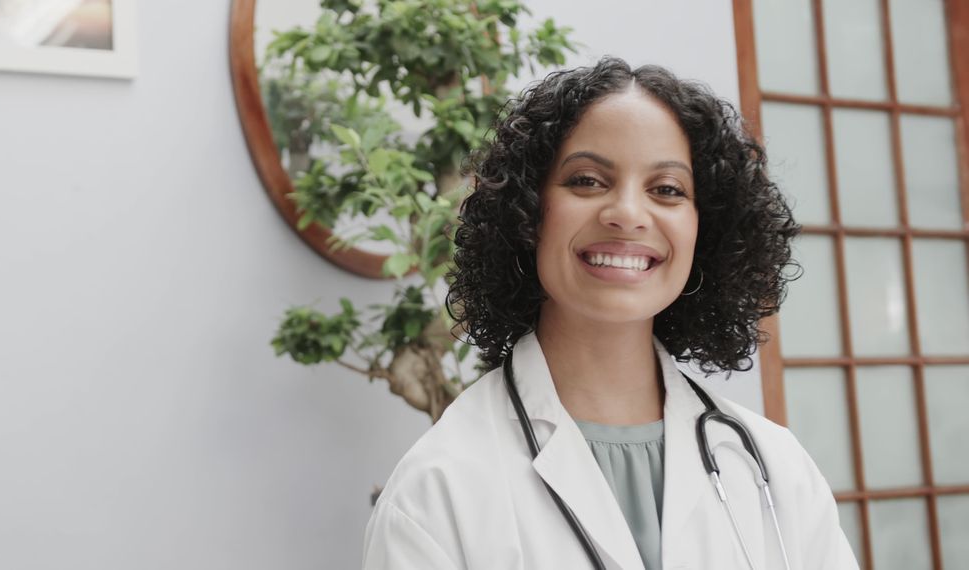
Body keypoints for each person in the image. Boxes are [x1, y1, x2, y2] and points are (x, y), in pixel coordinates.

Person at [362, 57, 859, 570]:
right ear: (529, 213)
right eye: (587, 180)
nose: (626, 213)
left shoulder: (773, 467)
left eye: (667, 189)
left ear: (703, 230)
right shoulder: (436, 490)